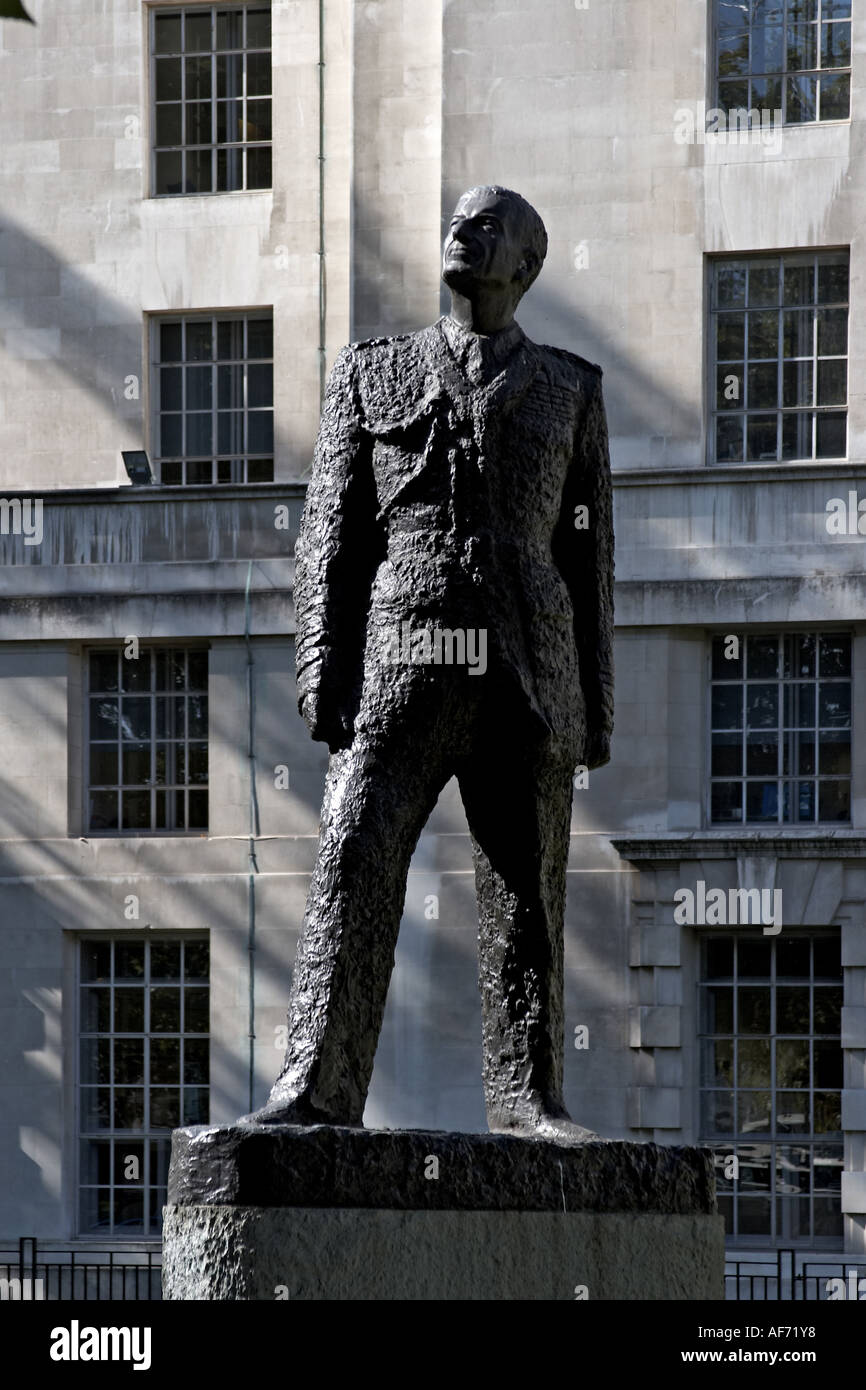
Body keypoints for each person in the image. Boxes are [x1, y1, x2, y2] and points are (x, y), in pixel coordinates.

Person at [243, 185, 614, 1142]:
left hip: (531, 672)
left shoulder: (573, 388)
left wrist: (595, 711)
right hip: (403, 658)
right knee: (352, 855)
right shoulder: (372, 372)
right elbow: (331, 531)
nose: (464, 230)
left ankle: (529, 1101)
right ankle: (314, 1088)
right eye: (457, 217)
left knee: (530, 892)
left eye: (490, 226)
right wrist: (321, 668)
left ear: (527, 266)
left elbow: (589, 559)